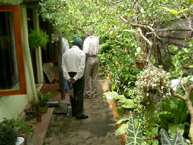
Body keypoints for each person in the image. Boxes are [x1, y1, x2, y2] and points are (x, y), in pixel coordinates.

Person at [61, 37, 88, 119]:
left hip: (69, 74)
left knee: (72, 93)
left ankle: (74, 112)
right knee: (79, 94)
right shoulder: (81, 53)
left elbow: (63, 66)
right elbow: (81, 67)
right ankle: (79, 114)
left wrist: (68, 77)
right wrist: (76, 78)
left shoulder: (66, 53)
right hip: (78, 75)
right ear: (80, 45)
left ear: (73, 44)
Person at [83, 30, 99, 99]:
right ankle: (94, 93)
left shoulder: (87, 40)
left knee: (87, 77)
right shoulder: (96, 39)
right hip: (96, 58)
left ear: (87, 34)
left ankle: (87, 93)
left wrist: (84, 61)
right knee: (94, 77)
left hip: (89, 58)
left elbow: (86, 52)